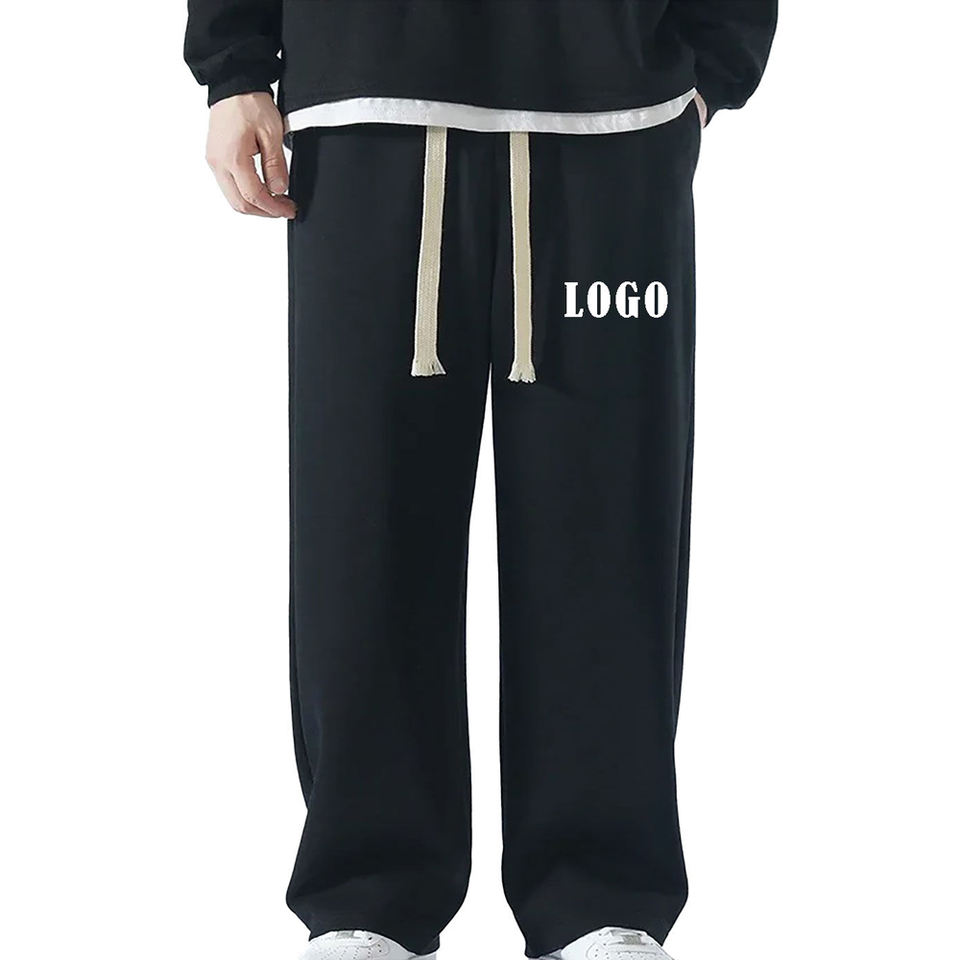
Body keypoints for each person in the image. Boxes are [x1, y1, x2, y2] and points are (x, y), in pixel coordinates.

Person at [184, 3, 777, 959]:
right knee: (363, 518)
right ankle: (369, 896)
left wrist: (714, 64)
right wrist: (234, 65)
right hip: (367, 104)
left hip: (613, 116)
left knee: (605, 520)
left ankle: (600, 896)